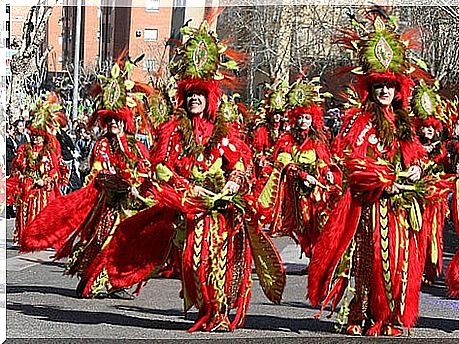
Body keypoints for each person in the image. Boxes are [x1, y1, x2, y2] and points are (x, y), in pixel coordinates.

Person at [80, 19, 285, 332]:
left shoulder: (222, 132)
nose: (194, 100)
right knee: (192, 263)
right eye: (190, 95)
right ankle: (205, 306)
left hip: (219, 210)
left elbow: (240, 164)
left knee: (217, 262)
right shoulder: (172, 131)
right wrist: (182, 187)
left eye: (200, 95)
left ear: (209, 98)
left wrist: (233, 181)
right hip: (186, 207)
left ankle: (216, 312)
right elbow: (161, 166)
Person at [308, 14, 429, 336]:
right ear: (370, 87)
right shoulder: (358, 121)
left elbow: (415, 156)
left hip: (398, 209)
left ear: (398, 88)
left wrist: (415, 169)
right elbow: (348, 159)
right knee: (366, 262)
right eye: (379, 86)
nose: (385, 91)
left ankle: (389, 317)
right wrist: (379, 177)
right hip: (368, 207)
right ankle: (357, 316)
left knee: (396, 264)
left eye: (390, 85)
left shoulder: (405, 124)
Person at [20, 60, 152, 299]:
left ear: (125, 121)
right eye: (108, 120)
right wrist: (123, 184)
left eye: (116, 120)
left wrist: (140, 185)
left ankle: (115, 282)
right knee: (101, 240)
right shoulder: (101, 145)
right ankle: (92, 279)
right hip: (107, 205)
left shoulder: (136, 146)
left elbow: (144, 168)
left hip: (130, 207)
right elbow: (100, 174)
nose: (112, 123)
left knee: (125, 245)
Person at [259, 79, 342, 260]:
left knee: (319, 221)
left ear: (312, 119)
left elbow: (322, 159)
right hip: (297, 190)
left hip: (317, 188)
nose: (303, 121)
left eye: (307, 117)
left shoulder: (317, 139)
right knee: (302, 226)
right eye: (300, 117)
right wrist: (301, 174)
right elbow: (285, 161)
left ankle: (319, 256)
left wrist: (326, 171)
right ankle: (312, 255)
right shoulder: (287, 139)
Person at [8, 93, 69, 246]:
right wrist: (22, 178)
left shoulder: (49, 151)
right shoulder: (23, 149)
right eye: (34, 135)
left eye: (39, 136)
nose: (36, 138)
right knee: (24, 213)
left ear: (44, 137)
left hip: (43, 189)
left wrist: (46, 180)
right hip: (27, 186)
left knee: (43, 213)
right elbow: (16, 167)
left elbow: (55, 170)